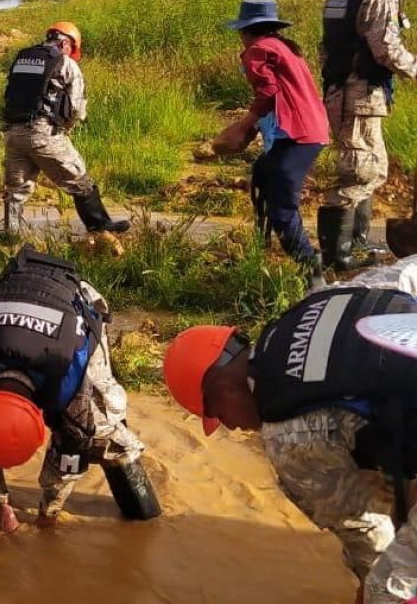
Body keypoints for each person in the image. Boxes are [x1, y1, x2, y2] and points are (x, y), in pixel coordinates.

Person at [163, 257, 417, 603]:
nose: (233, 428)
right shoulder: (324, 300)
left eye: (219, 416)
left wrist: (370, 583)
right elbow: (406, 273)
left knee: (383, 592)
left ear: (222, 389)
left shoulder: (287, 438)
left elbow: (367, 534)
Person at [0, 245, 159, 532]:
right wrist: (0, 501)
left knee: (105, 432)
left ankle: (141, 509)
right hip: (2, 298)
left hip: (76, 305)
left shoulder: (72, 383)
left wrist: (49, 512)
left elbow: (68, 454)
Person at [319, 0, 417, 270]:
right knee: (360, 172)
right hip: (358, 95)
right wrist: (414, 69)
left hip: (343, 92)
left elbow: (328, 49)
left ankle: (355, 246)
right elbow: (385, 47)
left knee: (371, 168)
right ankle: (338, 259)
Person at [213, 0, 329, 287]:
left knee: (283, 208)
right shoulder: (283, 47)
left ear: (246, 30)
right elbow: (280, 95)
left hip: (296, 135)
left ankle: (312, 274)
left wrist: (242, 125)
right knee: (263, 173)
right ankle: (261, 244)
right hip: (309, 129)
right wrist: (252, 129)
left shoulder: (258, 50)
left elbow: (268, 92)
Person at [2, 21, 129, 236]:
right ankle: (101, 228)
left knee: (16, 189)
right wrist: (66, 128)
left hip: (13, 133)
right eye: (72, 49)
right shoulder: (65, 63)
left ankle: (10, 235)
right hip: (44, 133)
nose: (72, 53)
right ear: (65, 43)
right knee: (79, 180)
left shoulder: (23, 57)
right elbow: (77, 107)